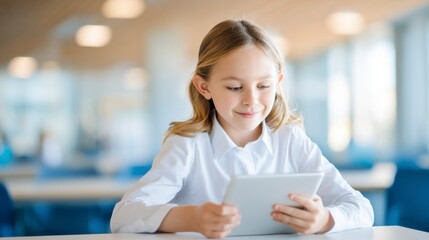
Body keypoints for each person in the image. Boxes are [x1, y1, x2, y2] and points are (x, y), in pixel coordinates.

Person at [110, 19, 374, 238]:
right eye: (235, 88)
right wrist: (190, 217)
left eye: (263, 86)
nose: (251, 100)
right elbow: (123, 216)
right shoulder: (188, 145)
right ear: (205, 87)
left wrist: (324, 219)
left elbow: (361, 208)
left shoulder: (290, 139)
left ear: (278, 82)